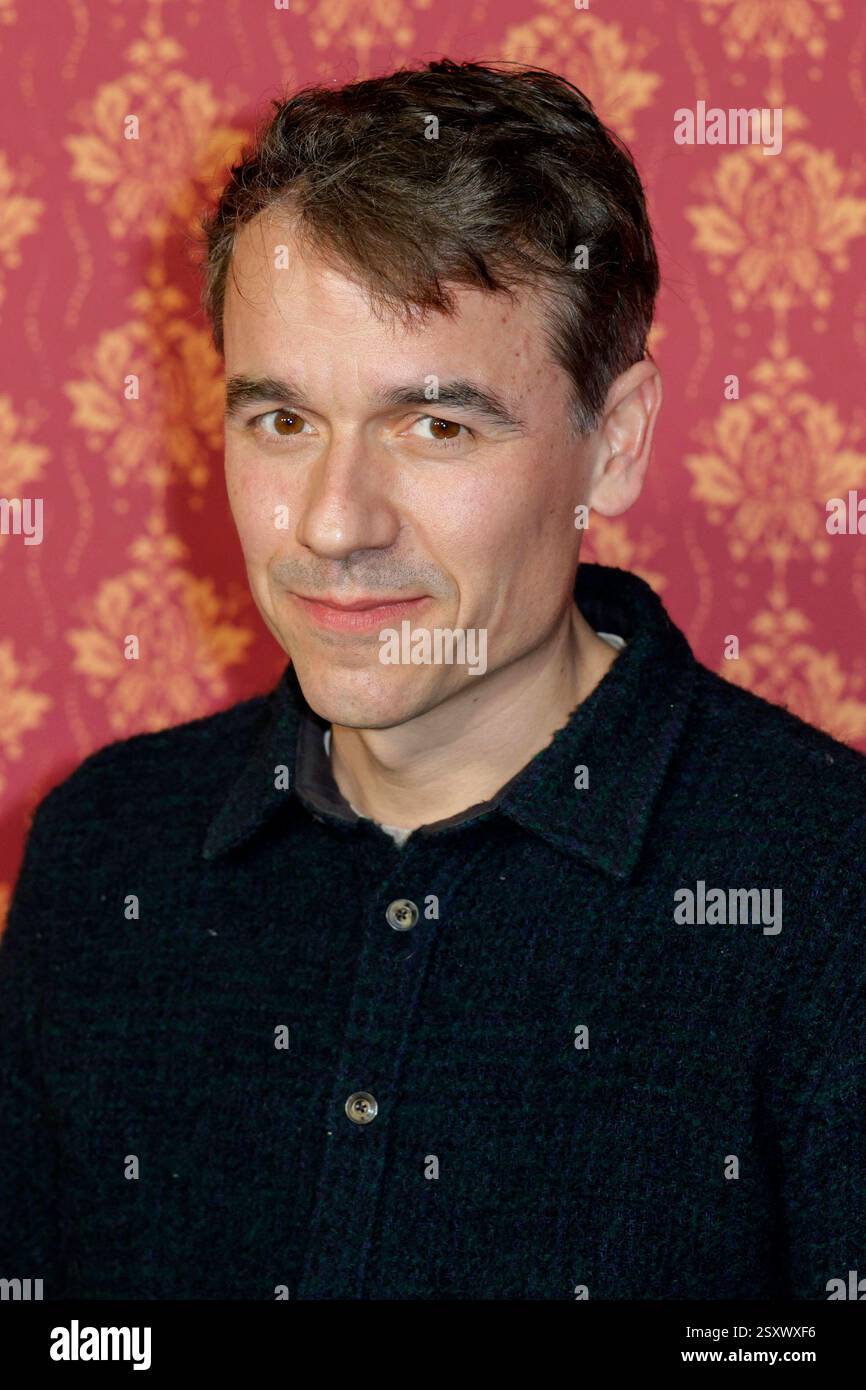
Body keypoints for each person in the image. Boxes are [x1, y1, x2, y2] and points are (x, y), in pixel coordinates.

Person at [1, 58, 864, 1301]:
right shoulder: (102, 852)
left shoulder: (826, 886)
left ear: (612, 444)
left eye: (436, 426)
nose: (333, 523)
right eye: (281, 421)